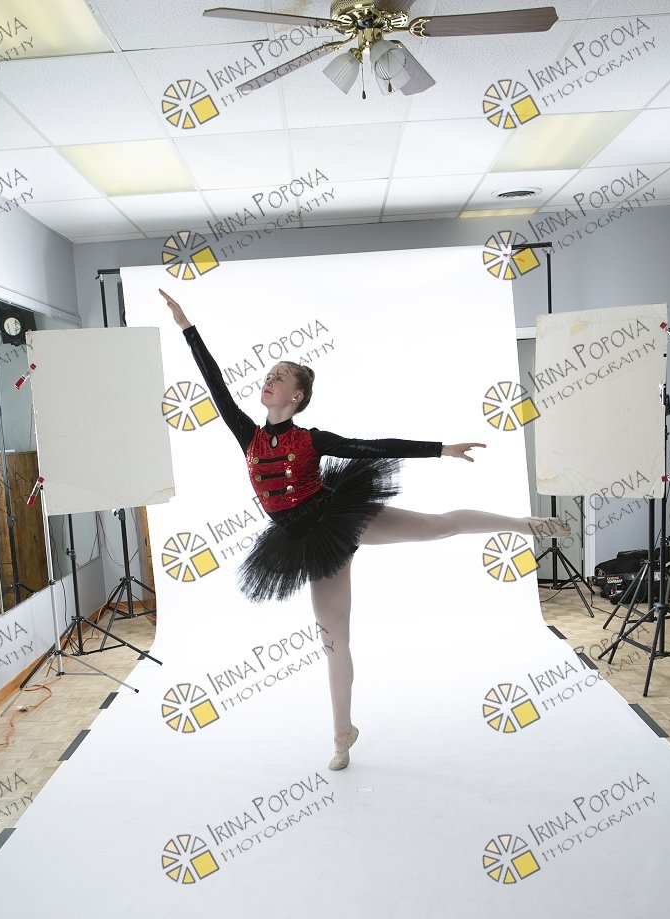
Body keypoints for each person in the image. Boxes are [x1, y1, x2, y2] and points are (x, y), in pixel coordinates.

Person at [159, 289, 570, 770]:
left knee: (438, 526)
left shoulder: (311, 439)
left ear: (297, 397)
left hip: (338, 517)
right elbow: (215, 385)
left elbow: (373, 446)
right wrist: (187, 327)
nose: (268, 380)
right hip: (308, 543)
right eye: (268, 375)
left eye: (279, 377)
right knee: (333, 639)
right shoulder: (247, 434)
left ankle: (526, 524)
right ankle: (343, 735)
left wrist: (440, 449)